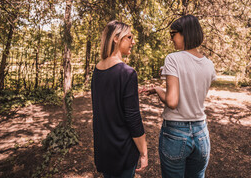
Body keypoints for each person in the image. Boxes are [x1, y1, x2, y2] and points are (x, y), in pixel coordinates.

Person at [145, 15, 216, 178]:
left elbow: (172, 101)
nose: (171, 39)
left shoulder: (173, 59)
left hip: (176, 132)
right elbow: (192, 91)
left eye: (173, 34)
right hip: (201, 132)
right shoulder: (209, 64)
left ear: (185, 33)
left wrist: (157, 89)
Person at [91, 20, 148, 178]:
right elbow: (133, 117)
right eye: (129, 37)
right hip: (122, 150)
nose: (133, 41)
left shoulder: (97, 70)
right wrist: (143, 152)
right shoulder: (128, 73)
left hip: (103, 149)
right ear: (116, 38)